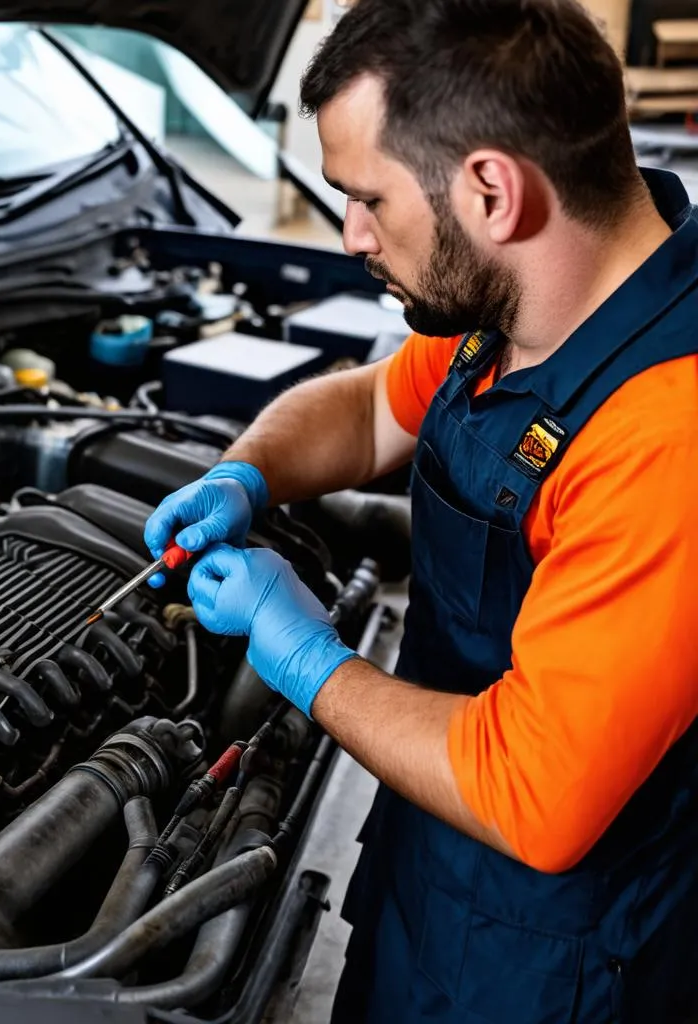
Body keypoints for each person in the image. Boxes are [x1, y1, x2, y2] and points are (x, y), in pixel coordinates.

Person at [143, 1, 698, 1021]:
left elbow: (538, 794)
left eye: (366, 199)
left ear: (492, 191)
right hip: (431, 861)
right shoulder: (526, 300)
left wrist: (305, 657)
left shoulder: (667, 437)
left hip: (555, 959)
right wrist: (244, 473)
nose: (351, 235)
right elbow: (365, 409)